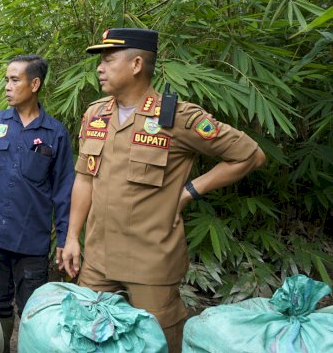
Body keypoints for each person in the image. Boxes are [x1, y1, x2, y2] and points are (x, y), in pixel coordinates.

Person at [60, 28, 267, 352]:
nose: (100, 68)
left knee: (158, 343)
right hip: (97, 260)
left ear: (137, 64)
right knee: (89, 338)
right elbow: (84, 179)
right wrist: (72, 237)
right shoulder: (95, 114)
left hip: (151, 262)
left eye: (108, 60)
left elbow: (250, 155)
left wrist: (189, 191)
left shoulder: (177, 118)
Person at [0, 55, 74, 352]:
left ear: (34, 84)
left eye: (15, 80)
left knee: (32, 310)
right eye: (6, 80)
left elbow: (64, 190)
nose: (7, 86)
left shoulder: (56, 133)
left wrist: (63, 238)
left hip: (32, 240)